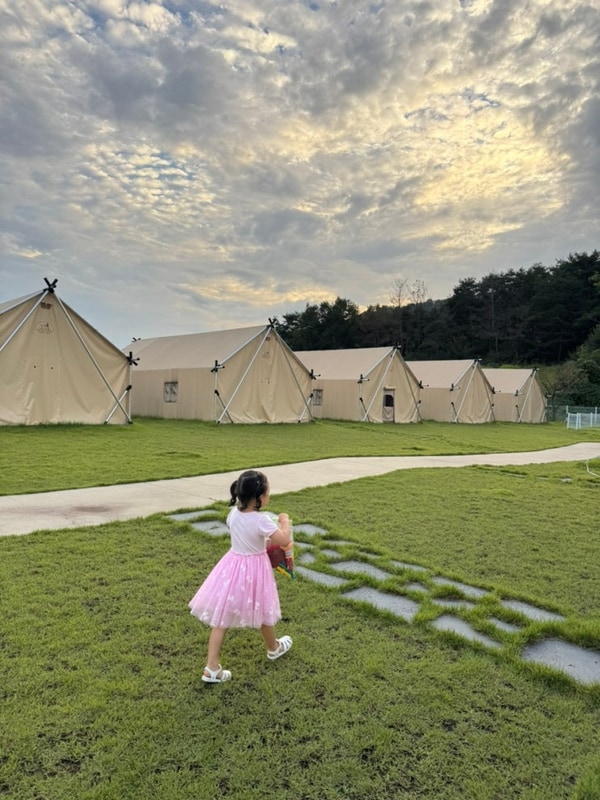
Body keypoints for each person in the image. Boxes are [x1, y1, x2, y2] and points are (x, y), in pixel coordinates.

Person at [188, 469, 294, 683]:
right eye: (267, 493)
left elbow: (247, 536)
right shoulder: (262, 520)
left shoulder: (233, 514)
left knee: (222, 619)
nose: (269, 496)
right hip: (255, 571)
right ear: (259, 498)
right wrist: (284, 521)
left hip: (232, 568)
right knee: (264, 609)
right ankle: (273, 648)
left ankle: (212, 667)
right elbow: (283, 540)